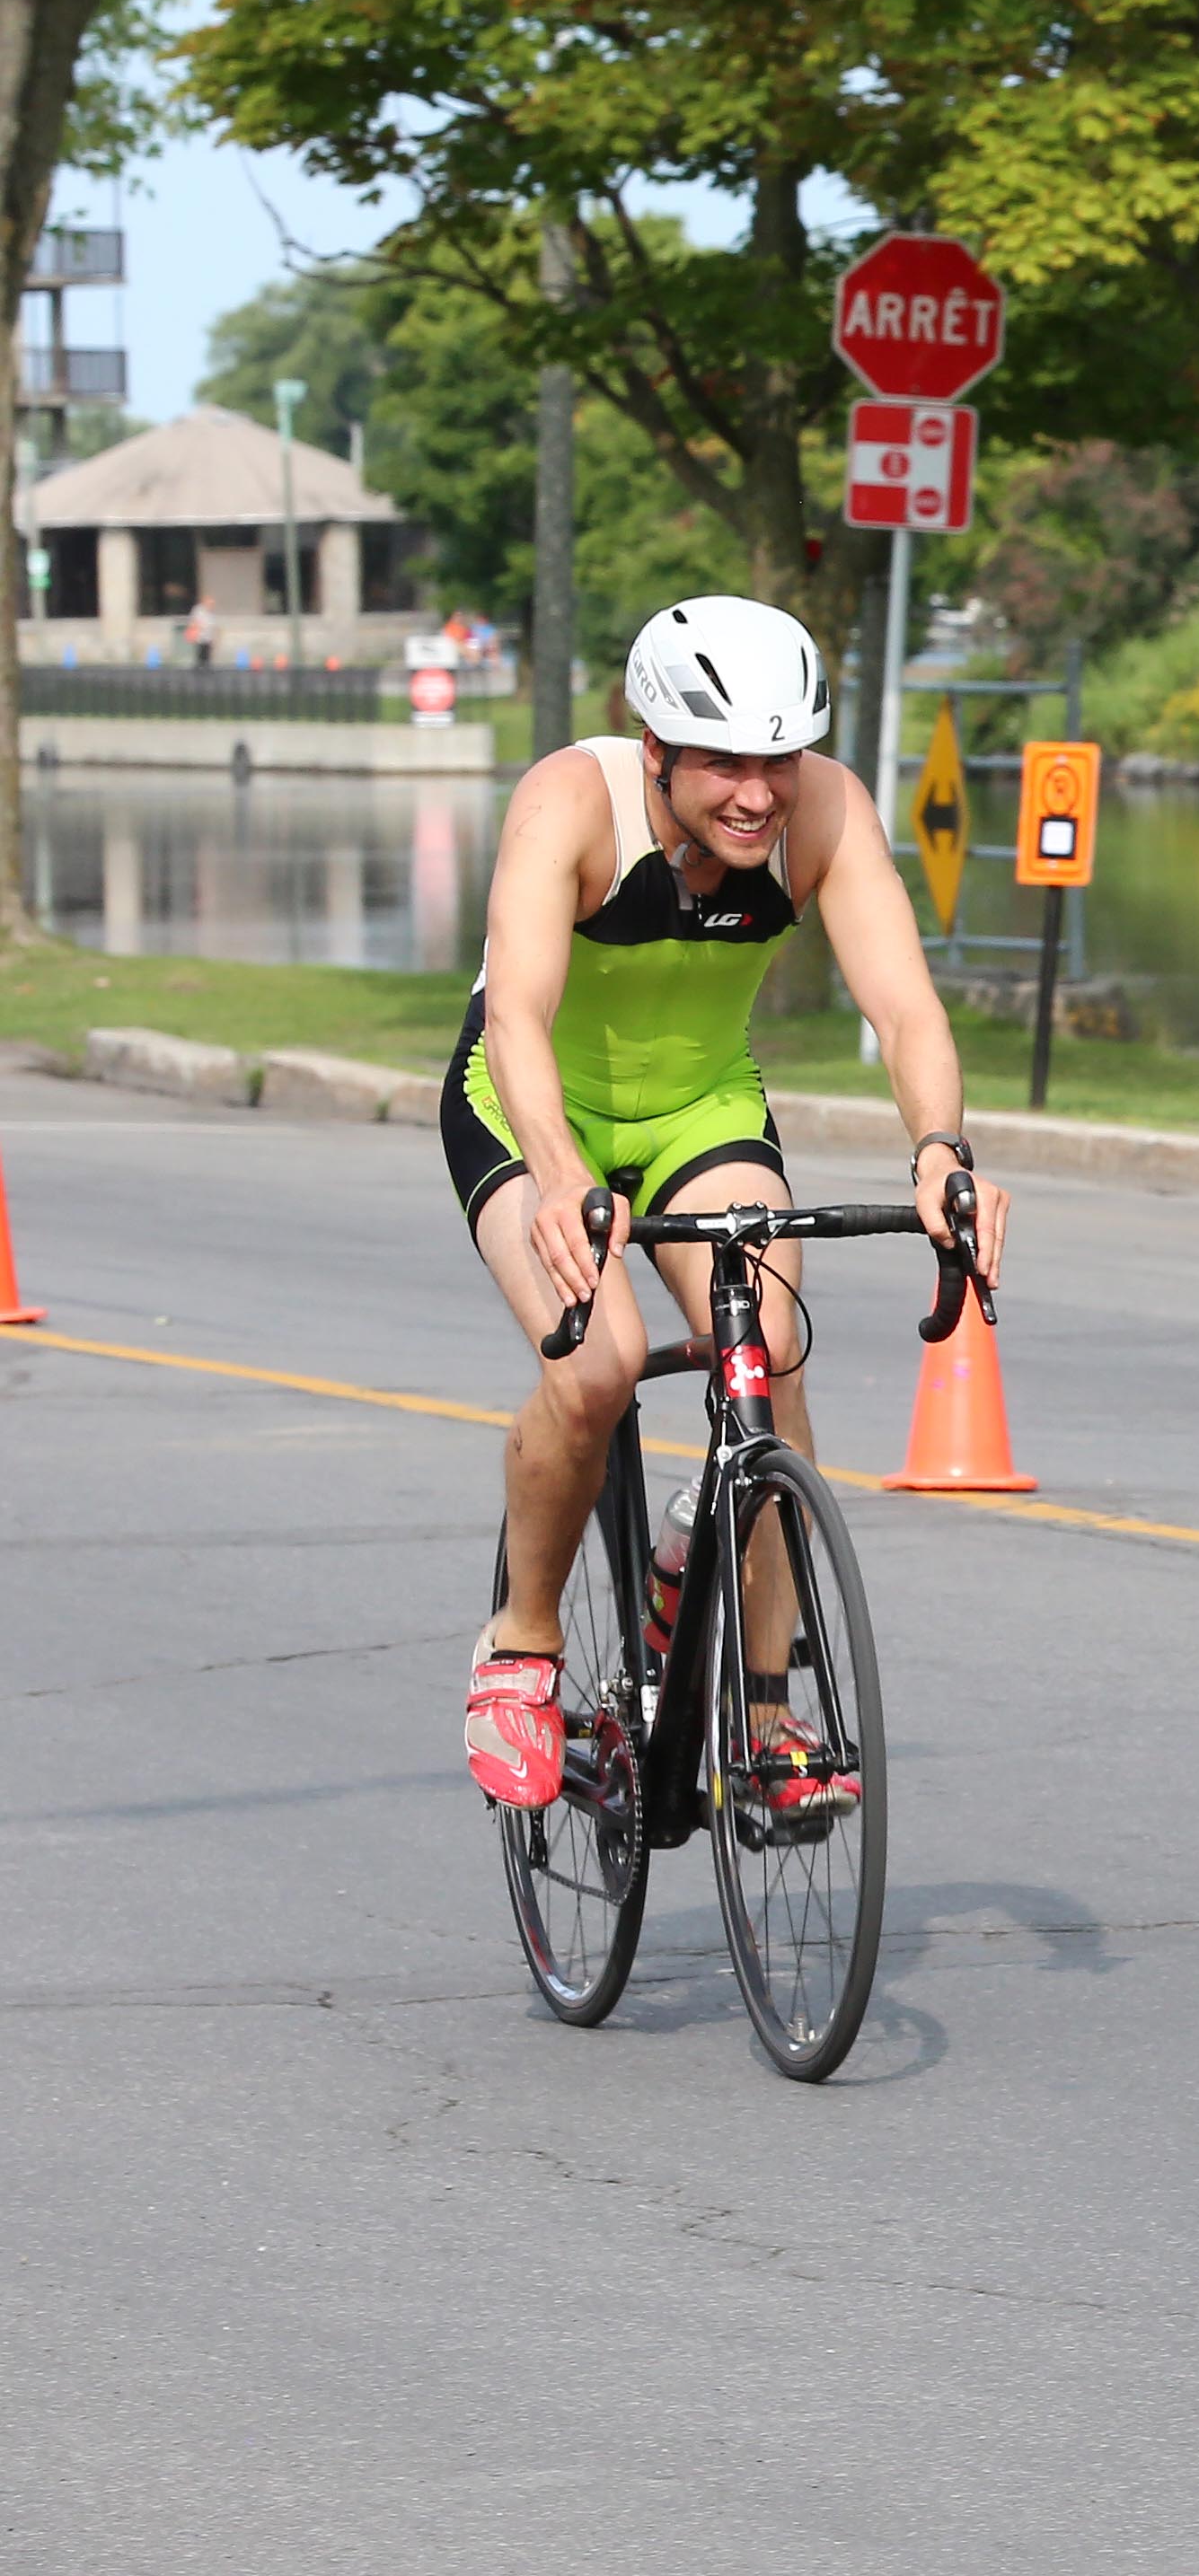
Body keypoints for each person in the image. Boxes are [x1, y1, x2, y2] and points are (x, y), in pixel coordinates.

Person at [452, 597, 1010, 1805]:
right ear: (655, 748)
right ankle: (524, 1643)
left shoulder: (827, 814)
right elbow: (517, 1021)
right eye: (724, 763)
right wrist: (558, 1177)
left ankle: (766, 1728)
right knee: (595, 1368)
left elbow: (907, 1008)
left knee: (773, 1358)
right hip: (531, 1106)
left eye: (779, 757)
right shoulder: (569, 802)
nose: (758, 794)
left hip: (700, 1109)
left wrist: (939, 1151)